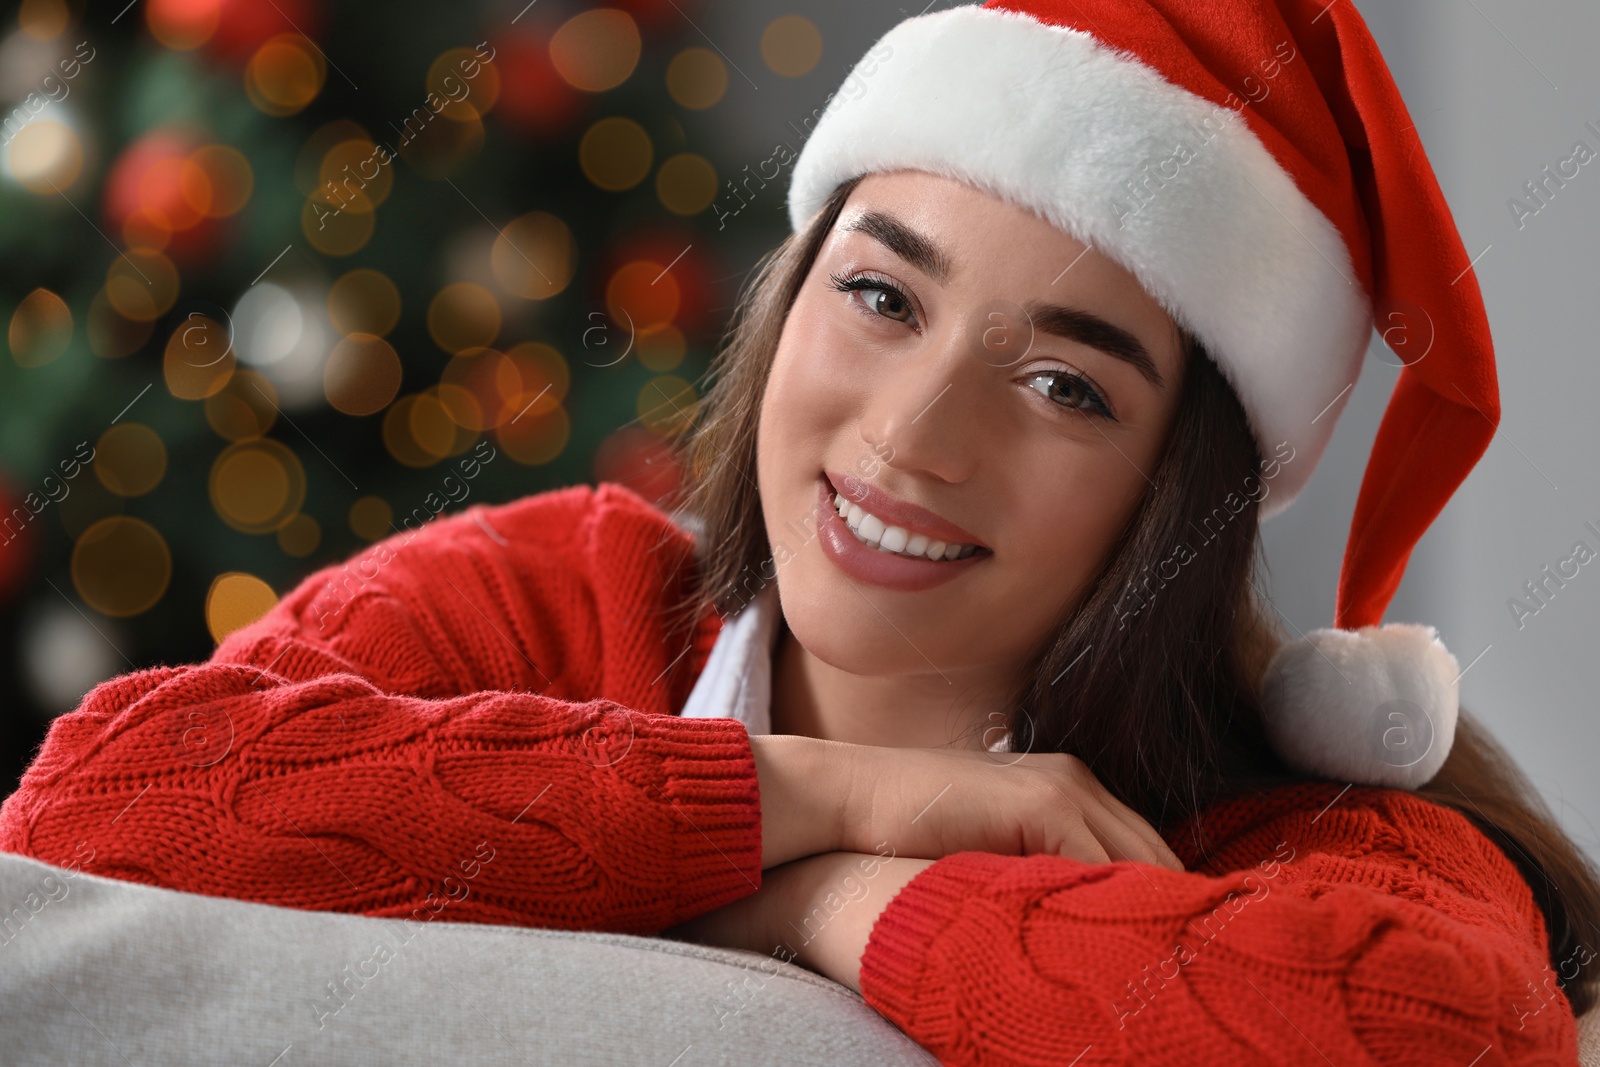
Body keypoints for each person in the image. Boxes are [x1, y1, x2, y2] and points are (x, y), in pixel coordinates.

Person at [3, 0, 1598, 1062]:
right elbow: (103, 799)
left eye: (1063, 385)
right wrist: (815, 793)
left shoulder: (1290, 823)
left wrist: (822, 902)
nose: (910, 437)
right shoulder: (558, 590)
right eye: (882, 295)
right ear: (788, 300)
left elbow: (1444, 1033)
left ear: (1177, 496)